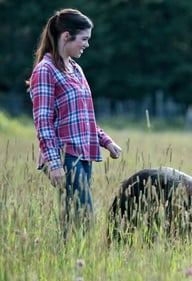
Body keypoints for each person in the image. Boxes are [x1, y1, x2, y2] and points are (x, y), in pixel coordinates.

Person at [28, 8, 122, 239]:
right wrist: (54, 163)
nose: (87, 45)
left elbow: (84, 117)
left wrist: (106, 142)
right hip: (64, 155)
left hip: (84, 154)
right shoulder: (45, 70)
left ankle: (69, 265)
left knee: (74, 219)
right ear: (66, 36)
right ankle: (78, 263)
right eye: (84, 39)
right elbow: (43, 122)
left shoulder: (76, 70)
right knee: (84, 217)